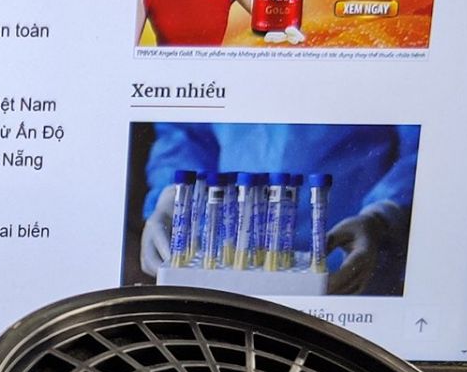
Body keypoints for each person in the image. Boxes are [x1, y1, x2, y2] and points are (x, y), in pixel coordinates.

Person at [138, 122, 417, 296]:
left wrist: (383, 215)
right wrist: (173, 196)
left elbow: (422, 141)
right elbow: (185, 131)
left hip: (345, 262)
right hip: (225, 259)